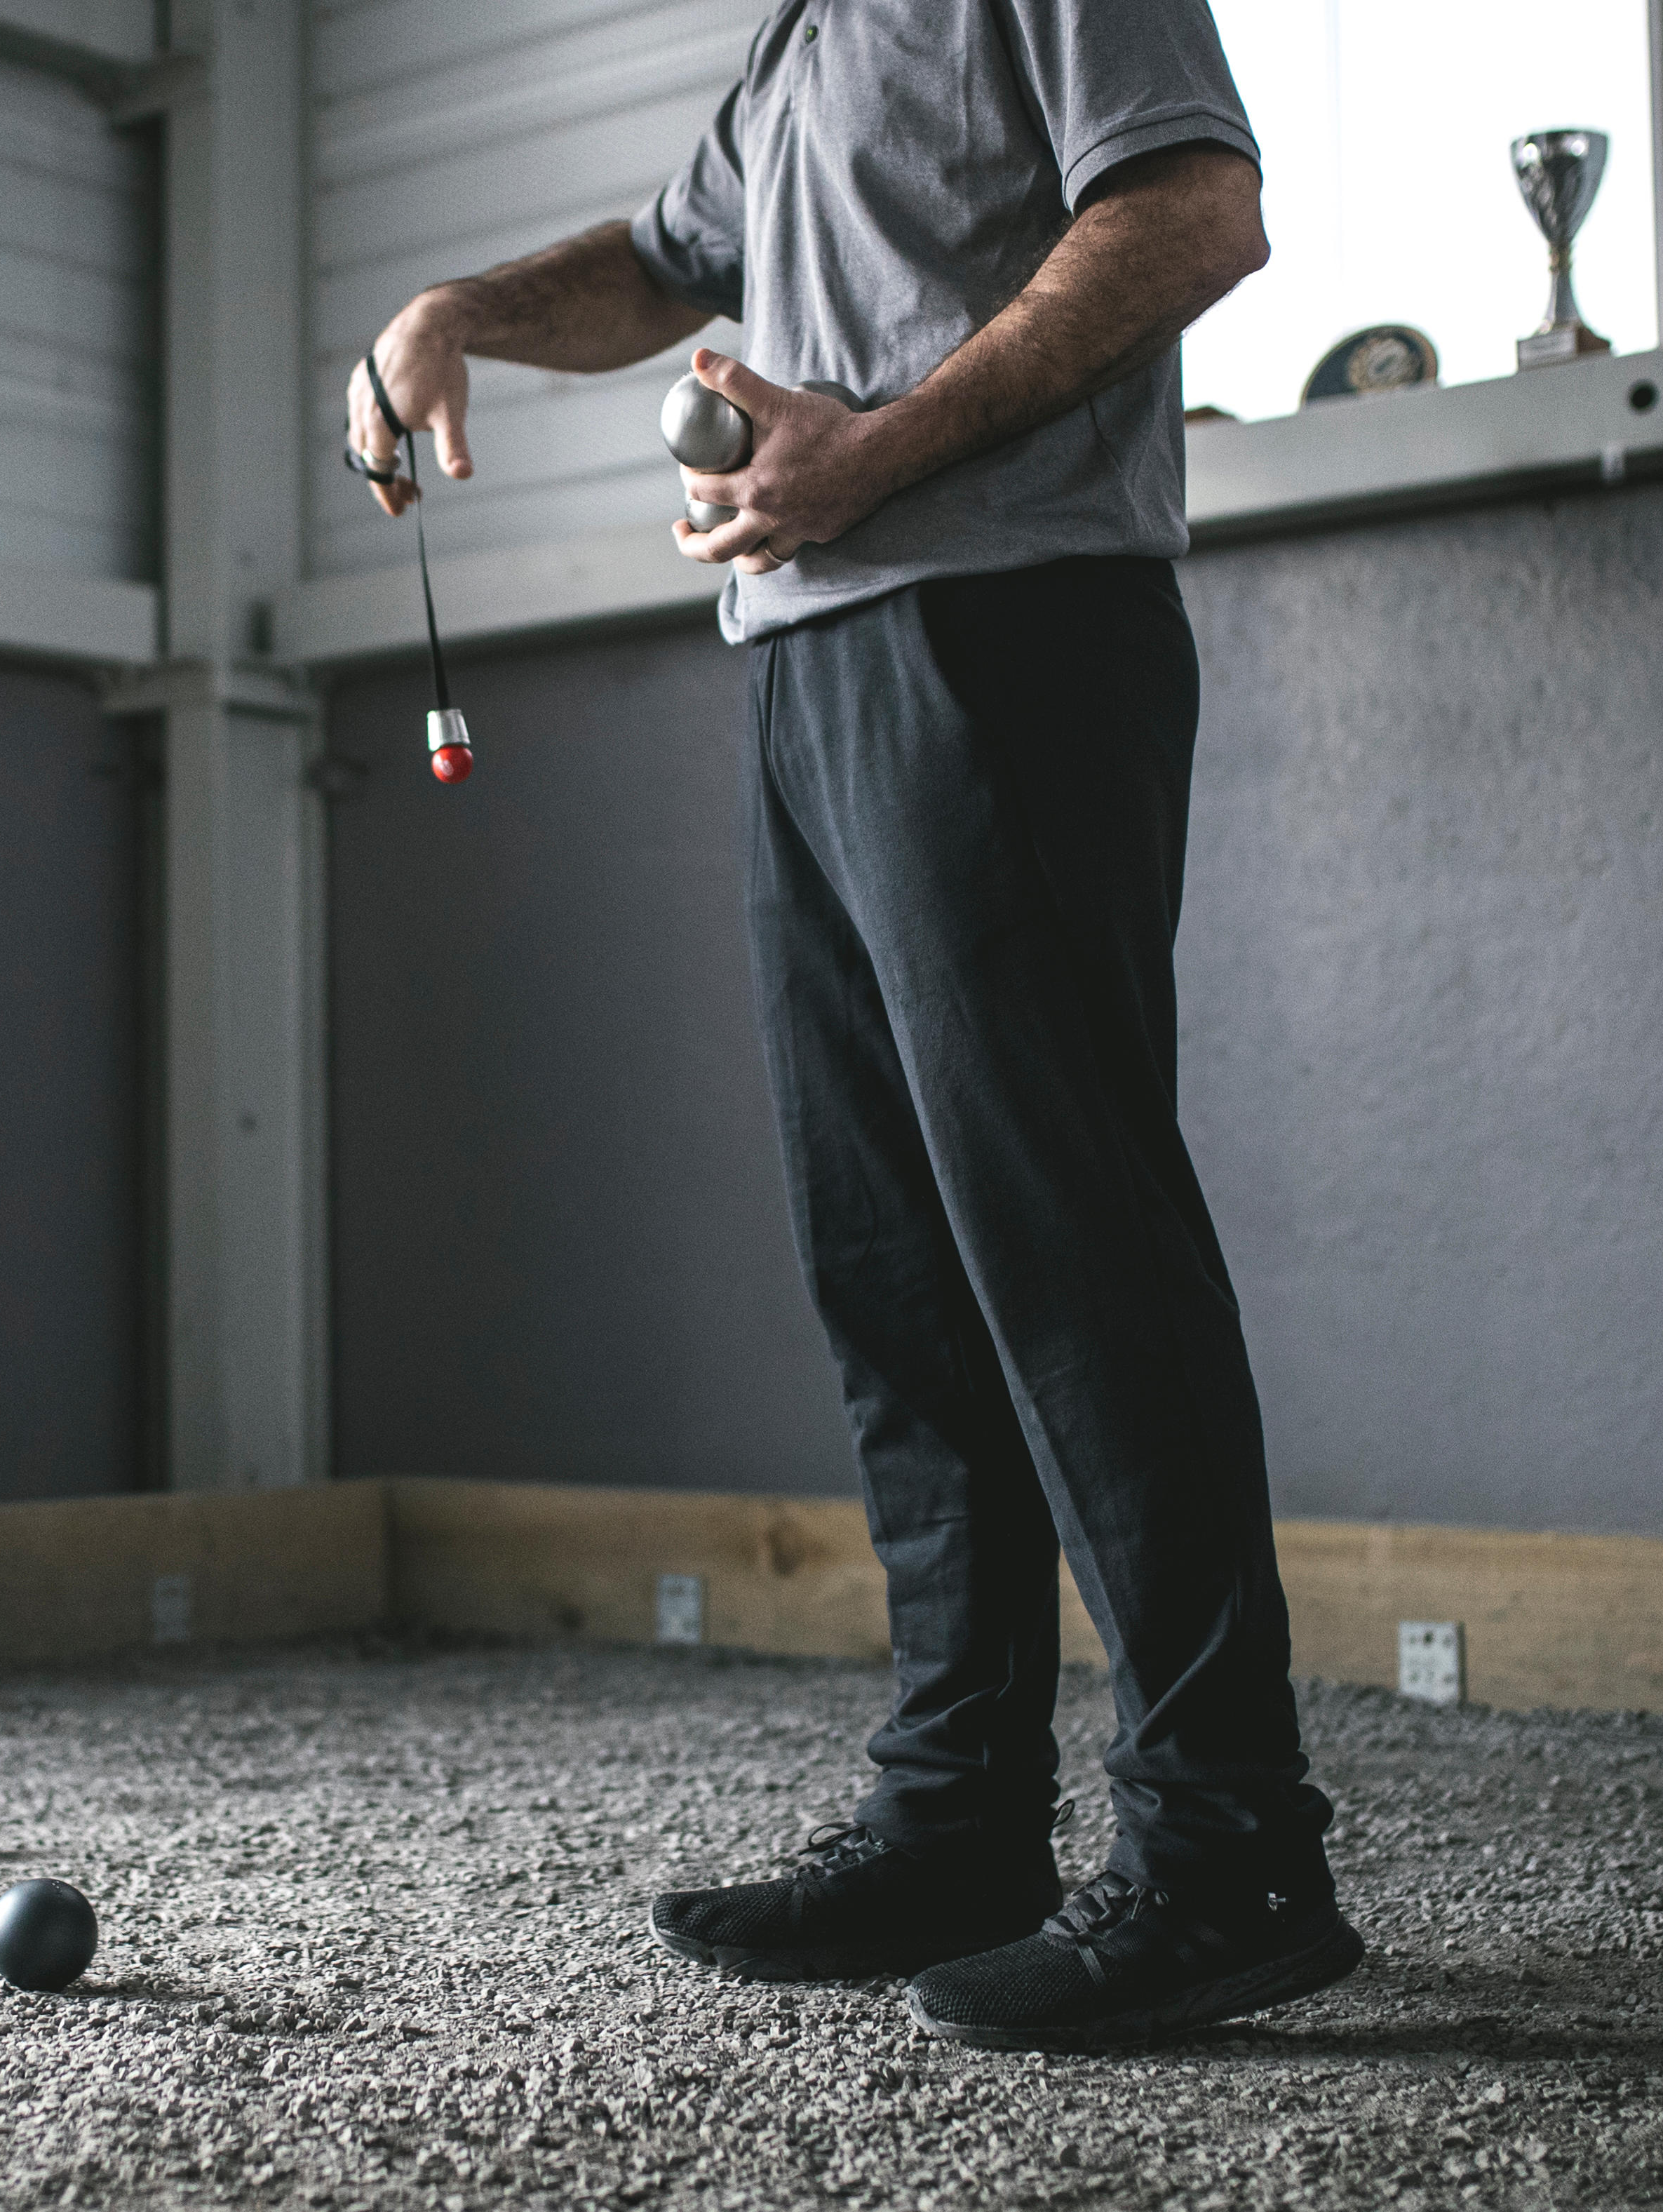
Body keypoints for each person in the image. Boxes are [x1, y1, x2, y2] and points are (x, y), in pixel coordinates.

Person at [346, 0, 1356, 2051]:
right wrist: (450, 308)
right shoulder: (799, 35)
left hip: (1006, 625)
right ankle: (959, 1810)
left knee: (1065, 1243)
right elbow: (659, 261)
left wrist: (873, 449)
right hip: (813, 658)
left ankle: (1226, 1842)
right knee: (889, 1264)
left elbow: (1191, 211)